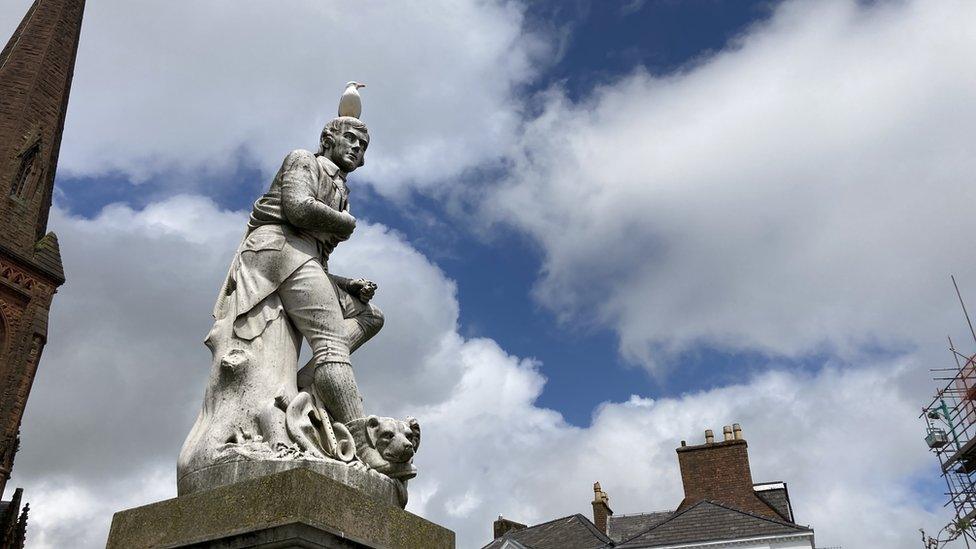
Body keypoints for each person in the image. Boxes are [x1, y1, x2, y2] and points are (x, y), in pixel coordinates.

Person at [215, 116, 383, 424]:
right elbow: (298, 208)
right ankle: (359, 431)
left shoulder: (342, 190)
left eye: (363, 145)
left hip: (300, 259)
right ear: (327, 141)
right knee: (331, 342)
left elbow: (315, 263)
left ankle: (304, 381)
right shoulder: (303, 160)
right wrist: (344, 223)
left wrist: (346, 284)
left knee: (371, 315)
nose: (357, 147)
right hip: (276, 249)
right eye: (350, 138)